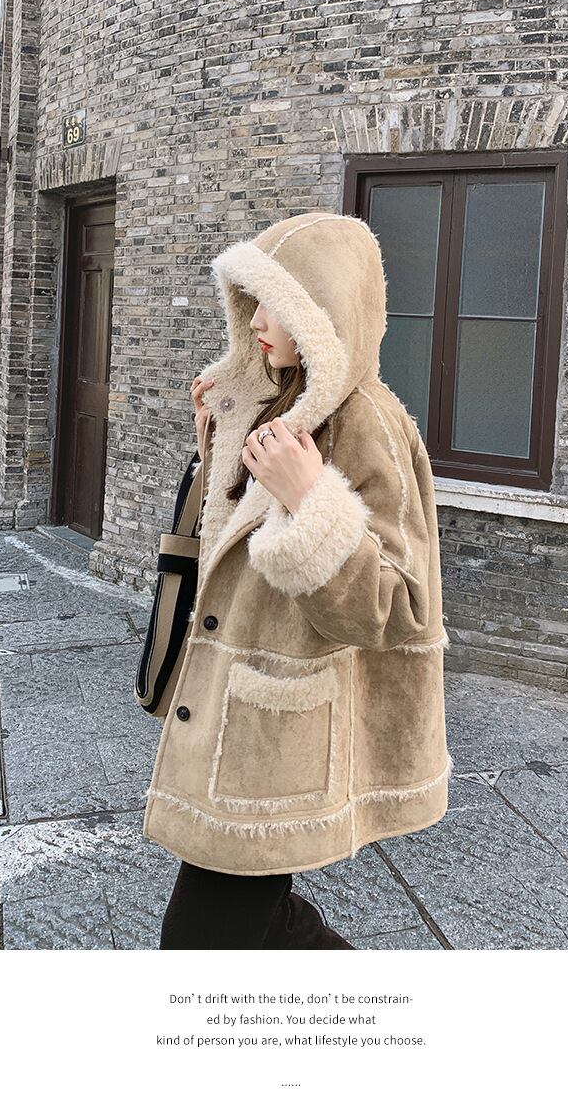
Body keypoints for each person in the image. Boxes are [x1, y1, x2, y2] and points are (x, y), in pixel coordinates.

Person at [144, 210, 452, 949]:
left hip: (281, 728)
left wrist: (313, 500)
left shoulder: (369, 421)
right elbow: (229, 550)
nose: (257, 320)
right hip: (235, 713)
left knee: (204, 938)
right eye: (252, 299)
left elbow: (401, 606)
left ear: (324, 314)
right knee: (246, 930)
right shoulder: (274, 398)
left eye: (279, 303)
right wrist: (216, 443)